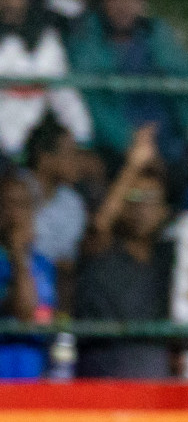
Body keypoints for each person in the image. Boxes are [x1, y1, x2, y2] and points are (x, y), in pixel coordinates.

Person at [73, 122, 173, 377]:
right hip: (102, 370)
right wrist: (133, 165)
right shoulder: (102, 250)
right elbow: (99, 227)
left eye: (150, 201)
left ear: (164, 211)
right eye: (134, 199)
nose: (141, 209)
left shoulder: (168, 257)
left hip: (153, 375)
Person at [67, 0, 188, 164]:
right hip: (111, 149)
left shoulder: (157, 35)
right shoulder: (87, 41)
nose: (124, 6)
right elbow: (94, 104)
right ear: (102, 1)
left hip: (166, 145)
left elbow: (185, 88)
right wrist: (129, 142)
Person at [0, 0, 91, 157]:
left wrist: (81, 135)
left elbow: (63, 92)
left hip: (40, 138)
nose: (8, 0)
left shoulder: (47, 38)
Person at [22, 116, 88, 303]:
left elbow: (67, 263)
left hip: (51, 287)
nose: (77, 161)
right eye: (70, 153)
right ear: (45, 157)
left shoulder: (73, 203)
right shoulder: (14, 191)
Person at [0, 170, 57, 378]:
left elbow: (49, 321)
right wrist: (16, 252)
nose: (15, 213)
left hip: (33, 381)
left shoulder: (44, 264)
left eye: (23, 205)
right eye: (7, 204)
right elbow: (23, 309)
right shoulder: (14, 259)